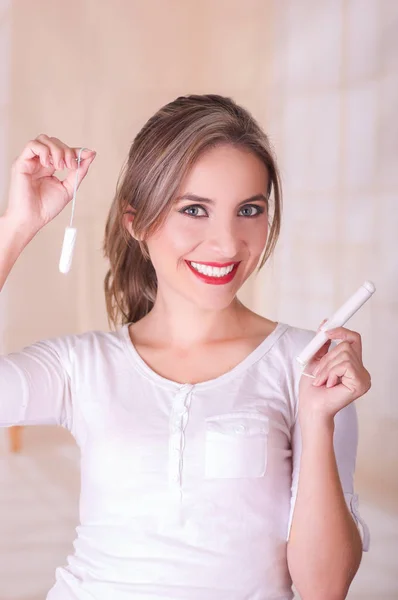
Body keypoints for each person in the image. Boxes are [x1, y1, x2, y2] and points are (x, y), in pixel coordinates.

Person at [0, 94, 371, 600]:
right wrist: (16, 226)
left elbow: (324, 589)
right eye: (194, 209)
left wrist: (316, 418)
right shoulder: (80, 366)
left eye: (249, 210)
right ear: (137, 222)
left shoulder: (309, 366)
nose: (226, 243)